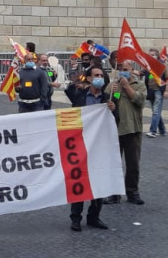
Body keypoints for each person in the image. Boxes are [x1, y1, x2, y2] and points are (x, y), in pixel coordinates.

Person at [64, 65, 114, 231]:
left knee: (98, 181)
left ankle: (94, 217)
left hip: (100, 146)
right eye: (96, 75)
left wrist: (113, 111)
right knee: (79, 181)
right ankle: (76, 218)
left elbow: (117, 122)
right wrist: (77, 80)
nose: (99, 77)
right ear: (90, 78)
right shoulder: (79, 95)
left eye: (101, 75)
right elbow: (68, 91)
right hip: (81, 144)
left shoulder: (109, 98)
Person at [111, 60, 146, 205]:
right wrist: (112, 96)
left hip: (132, 128)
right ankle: (114, 193)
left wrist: (126, 86)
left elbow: (138, 100)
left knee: (133, 164)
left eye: (125, 68)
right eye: (120, 68)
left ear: (132, 70)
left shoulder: (140, 85)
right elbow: (110, 101)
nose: (123, 71)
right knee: (114, 163)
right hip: (116, 129)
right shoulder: (114, 85)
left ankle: (132, 191)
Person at [145, 49, 168, 138]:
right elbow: (141, 73)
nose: (151, 56)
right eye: (150, 54)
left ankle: (153, 131)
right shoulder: (148, 66)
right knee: (156, 111)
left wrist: (166, 90)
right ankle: (162, 130)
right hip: (150, 90)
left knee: (155, 111)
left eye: (153, 54)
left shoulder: (163, 64)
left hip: (159, 90)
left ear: (157, 55)